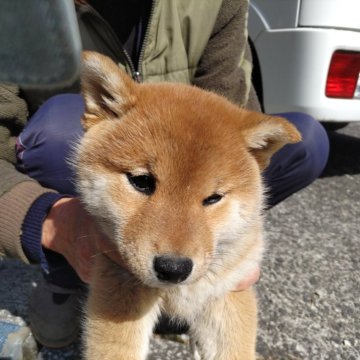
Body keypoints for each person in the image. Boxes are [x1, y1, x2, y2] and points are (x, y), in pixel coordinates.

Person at [0, 0, 329, 349]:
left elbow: (231, 121)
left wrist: (237, 250)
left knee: (306, 139)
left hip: (183, 148)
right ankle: (66, 274)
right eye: (142, 182)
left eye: (212, 198)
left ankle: (177, 292)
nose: (172, 244)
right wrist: (49, 223)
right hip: (60, 155)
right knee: (58, 129)